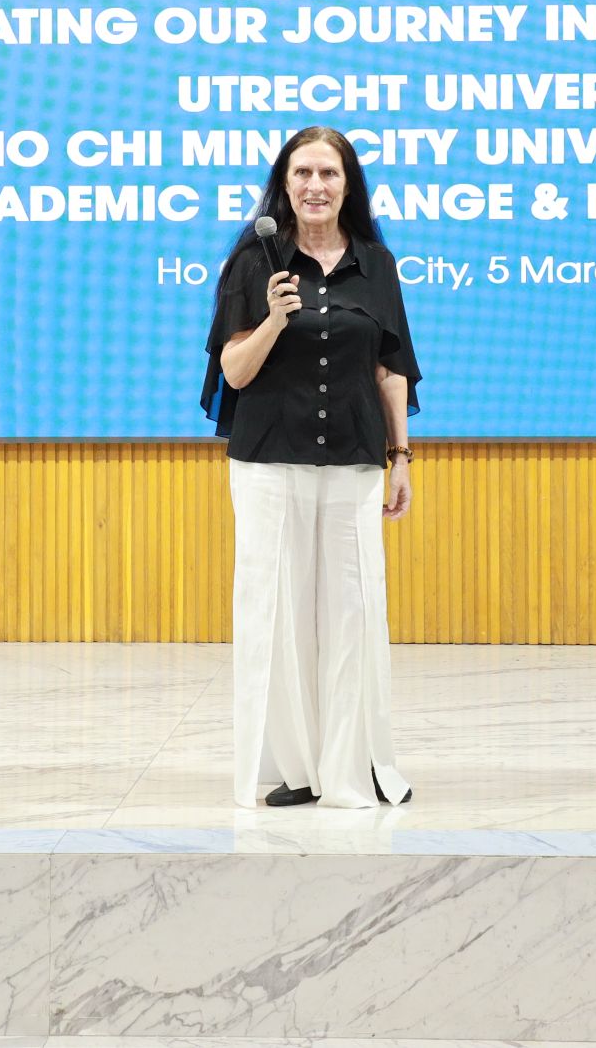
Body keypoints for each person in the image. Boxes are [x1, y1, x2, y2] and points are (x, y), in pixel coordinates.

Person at [201, 126, 421, 809]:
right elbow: (234, 371)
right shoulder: (252, 262)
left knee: (353, 611)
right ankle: (296, 765)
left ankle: (353, 761)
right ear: (284, 183)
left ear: (347, 185)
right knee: (278, 613)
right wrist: (272, 319)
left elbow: (390, 369)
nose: (315, 185)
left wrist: (401, 456)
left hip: (353, 458)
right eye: (302, 173)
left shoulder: (376, 264)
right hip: (269, 463)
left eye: (328, 173)